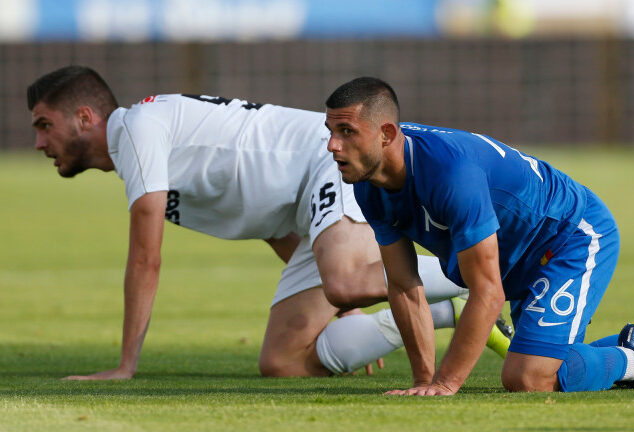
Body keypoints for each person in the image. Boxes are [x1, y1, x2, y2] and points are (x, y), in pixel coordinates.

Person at [27, 66, 513, 380]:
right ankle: (460, 307)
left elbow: (145, 258)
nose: (38, 142)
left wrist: (125, 366)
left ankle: (492, 281)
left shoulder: (135, 129)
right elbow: (266, 219)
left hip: (324, 159)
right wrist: (346, 309)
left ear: (86, 117)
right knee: (283, 362)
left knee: (344, 281)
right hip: (301, 207)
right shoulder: (145, 151)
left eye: (44, 124)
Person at [323, 76, 634, 395]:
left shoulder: (449, 172)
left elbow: (487, 291)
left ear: (386, 134)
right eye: (331, 132)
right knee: (544, 362)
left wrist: (446, 384)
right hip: (519, 256)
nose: (332, 146)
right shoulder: (366, 184)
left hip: (570, 235)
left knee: (529, 376)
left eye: (347, 132)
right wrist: (422, 382)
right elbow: (403, 284)